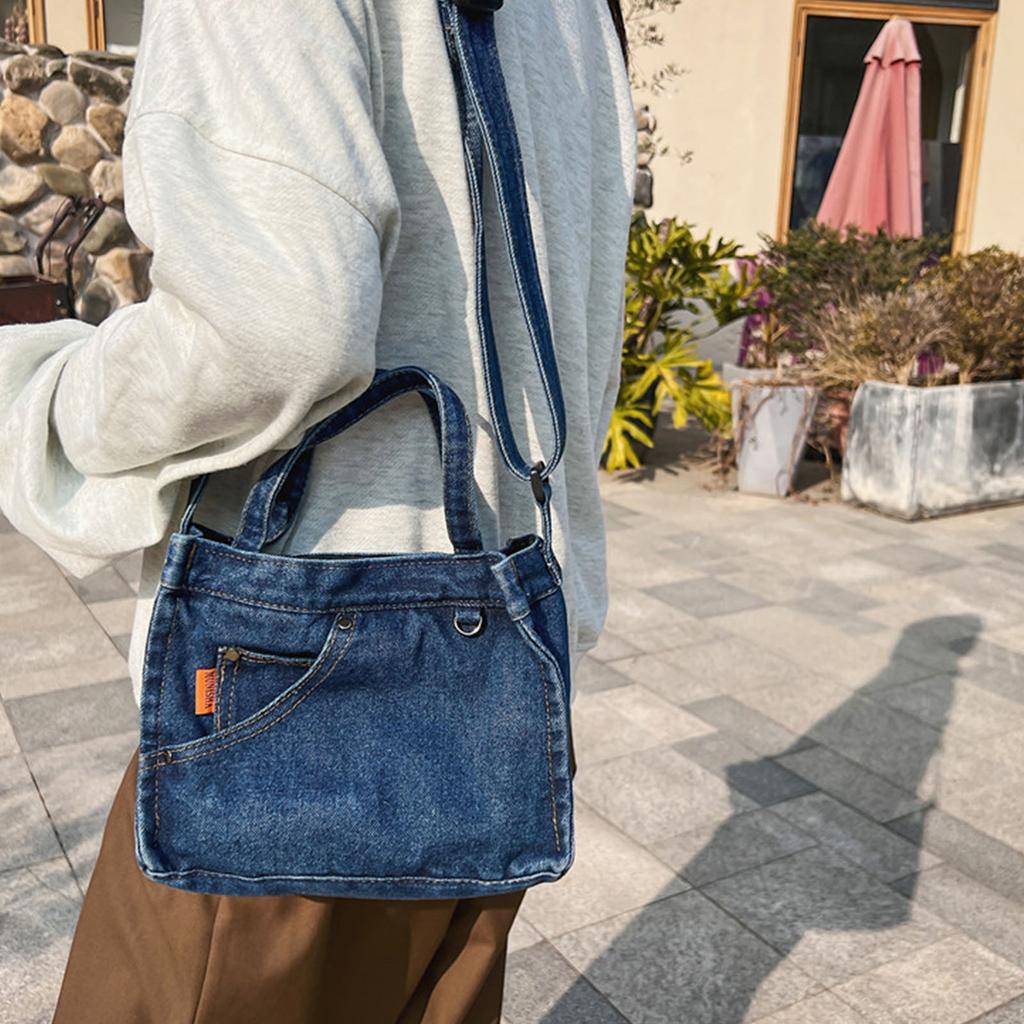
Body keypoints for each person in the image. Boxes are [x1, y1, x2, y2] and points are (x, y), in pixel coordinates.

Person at [0, 1, 634, 1020]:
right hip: (496, 700)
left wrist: (39, 401)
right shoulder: (582, 17)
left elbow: (271, 331)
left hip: (286, 715)